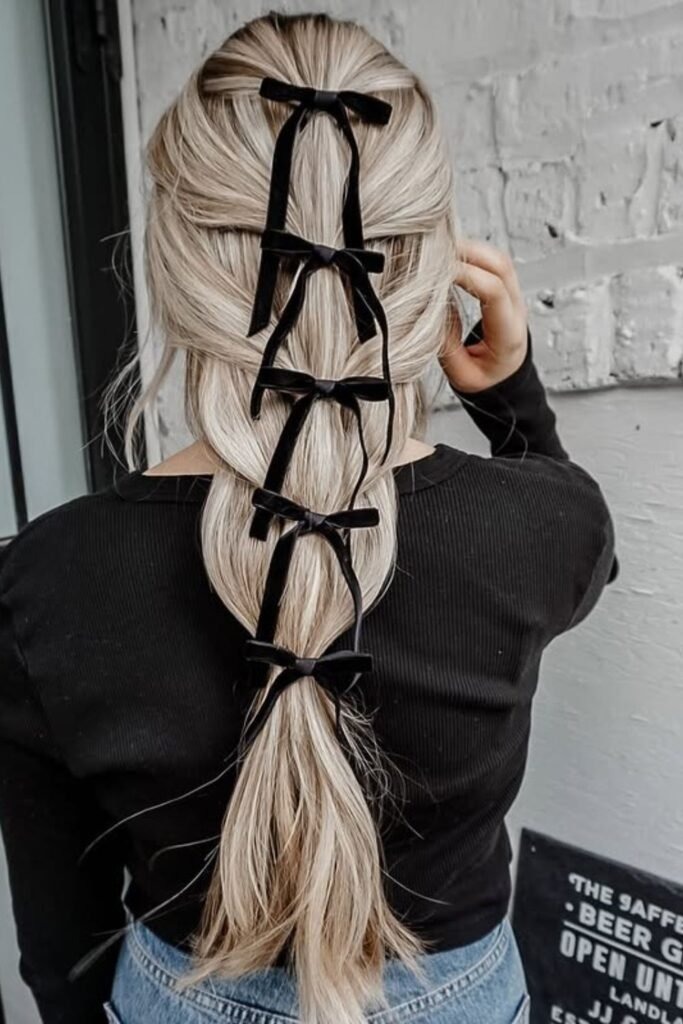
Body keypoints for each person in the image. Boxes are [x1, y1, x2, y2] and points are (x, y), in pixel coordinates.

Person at [0, 11, 618, 1024]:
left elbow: (59, 933)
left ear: (177, 262)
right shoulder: (536, 527)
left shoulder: (44, 577)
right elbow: (581, 546)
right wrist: (512, 401)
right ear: (425, 263)